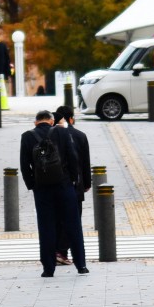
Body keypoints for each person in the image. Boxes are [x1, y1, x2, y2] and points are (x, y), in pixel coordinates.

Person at [20, 108, 79, 277]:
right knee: (72, 224)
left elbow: (24, 165)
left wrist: (32, 184)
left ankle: (48, 268)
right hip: (64, 185)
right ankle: (81, 264)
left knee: (46, 227)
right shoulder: (62, 132)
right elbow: (72, 157)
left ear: (35, 122)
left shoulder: (27, 136)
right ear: (52, 121)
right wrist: (74, 180)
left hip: (42, 188)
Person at [53, 105, 92, 273]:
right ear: (70, 119)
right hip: (74, 186)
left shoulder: (50, 135)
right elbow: (85, 162)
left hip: (54, 185)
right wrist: (87, 183)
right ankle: (62, 252)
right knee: (74, 220)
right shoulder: (80, 136)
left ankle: (57, 251)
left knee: (57, 219)